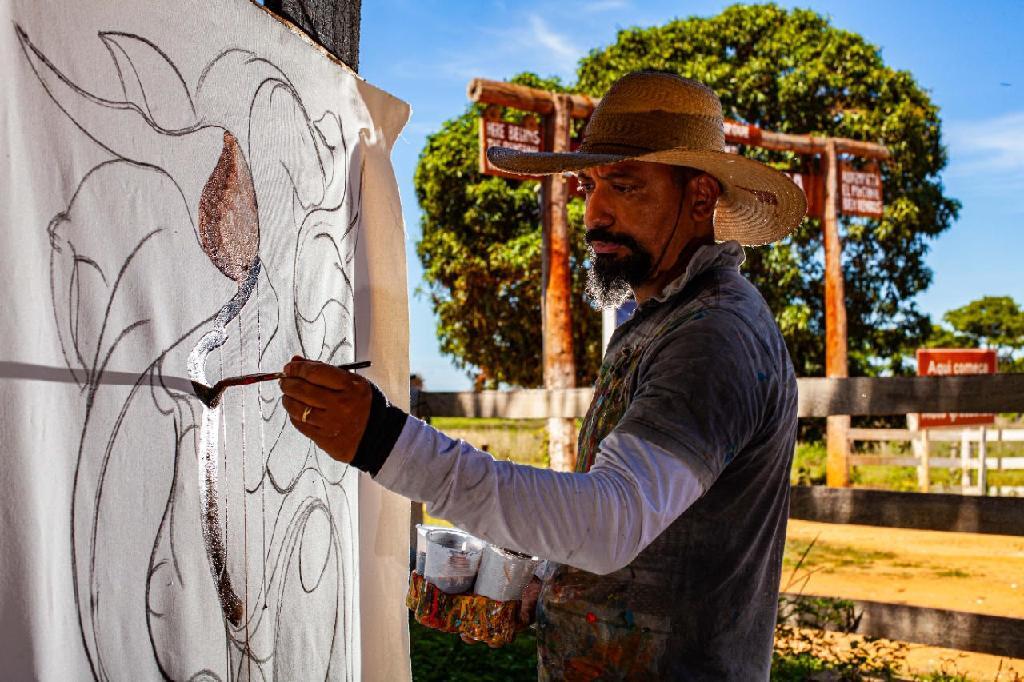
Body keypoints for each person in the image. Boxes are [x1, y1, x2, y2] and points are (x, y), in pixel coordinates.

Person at [279, 71, 806, 680]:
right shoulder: (662, 314)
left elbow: (613, 522)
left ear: (700, 199)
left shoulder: (714, 335)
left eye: (626, 187)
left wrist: (386, 441)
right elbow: (636, 519)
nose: (596, 212)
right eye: (590, 185)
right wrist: (551, 578)